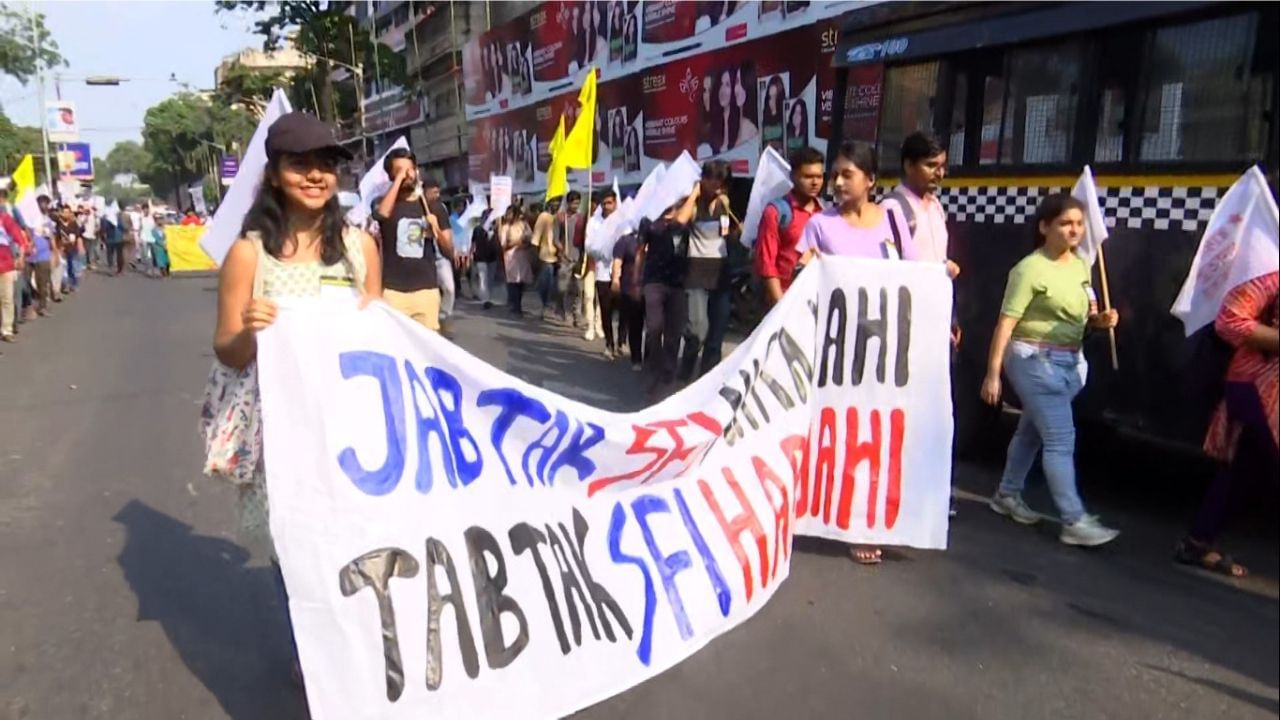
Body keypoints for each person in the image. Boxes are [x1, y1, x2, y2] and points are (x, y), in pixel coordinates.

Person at [211, 111, 380, 684]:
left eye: (326, 165)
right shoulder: (249, 254)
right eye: (300, 164)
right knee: (297, 548)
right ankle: (316, 659)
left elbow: (379, 340)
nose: (315, 176)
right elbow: (227, 350)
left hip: (354, 431)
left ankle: (363, 650)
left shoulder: (360, 249)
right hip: (283, 435)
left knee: (360, 537)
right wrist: (249, 331)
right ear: (275, 172)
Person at [795, 142, 918, 565]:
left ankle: (873, 518)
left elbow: (915, 278)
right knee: (841, 433)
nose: (839, 182)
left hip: (887, 349)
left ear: (870, 179)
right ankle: (842, 517)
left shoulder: (894, 221)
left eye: (848, 174)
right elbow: (802, 280)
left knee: (880, 434)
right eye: (836, 175)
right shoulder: (820, 226)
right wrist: (805, 269)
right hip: (836, 349)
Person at [980, 193, 1121, 548]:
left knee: (1031, 431)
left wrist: (1099, 321)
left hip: (1070, 364)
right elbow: (1005, 325)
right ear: (1044, 227)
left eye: (1078, 223)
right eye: (1065, 223)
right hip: (1032, 362)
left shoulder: (1080, 265)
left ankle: (1006, 495)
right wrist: (993, 373)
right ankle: (1074, 520)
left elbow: (1082, 316)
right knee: (1060, 438)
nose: (1074, 230)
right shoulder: (1028, 269)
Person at [1175, 271, 1277, 577]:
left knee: (1242, 468)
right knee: (1245, 467)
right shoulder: (1271, 276)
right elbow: (1230, 321)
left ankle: (1197, 543)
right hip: (1259, 384)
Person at [374, 149, 452, 333]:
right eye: (400, 170)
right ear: (391, 175)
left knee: (427, 351)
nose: (407, 174)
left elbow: (449, 251)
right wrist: (400, 179)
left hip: (426, 291)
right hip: (393, 292)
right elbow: (382, 214)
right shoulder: (384, 203)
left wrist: (437, 230)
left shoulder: (432, 207)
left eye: (410, 169)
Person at [635, 185, 699, 399]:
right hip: (653, 281)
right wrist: (637, 280)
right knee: (654, 328)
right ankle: (654, 366)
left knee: (674, 334)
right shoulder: (648, 221)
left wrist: (694, 193)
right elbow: (639, 253)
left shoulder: (685, 218)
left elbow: (687, 216)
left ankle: (667, 377)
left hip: (678, 284)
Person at [680, 161, 738, 381]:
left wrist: (737, 232)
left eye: (722, 181)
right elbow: (680, 221)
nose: (717, 185)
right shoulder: (694, 205)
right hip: (696, 274)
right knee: (697, 330)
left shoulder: (725, 206)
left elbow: (728, 236)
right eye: (713, 179)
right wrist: (694, 194)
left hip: (720, 275)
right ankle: (685, 374)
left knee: (716, 335)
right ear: (703, 179)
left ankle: (707, 383)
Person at [756, 146, 824, 307]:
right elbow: (766, 263)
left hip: (817, 301)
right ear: (793, 176)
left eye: (819, 177)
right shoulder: (776, 212)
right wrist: (780, 305)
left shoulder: (825, 213)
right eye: (808, 176)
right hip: (784, 300)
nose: (815, 182)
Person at [589, 190, 621, 358]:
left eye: (610, 203)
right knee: (606, 311)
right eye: (604, 203)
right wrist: (603, 250)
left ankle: (621, 340)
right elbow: (589, 246)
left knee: (625, 310)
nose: (607, 206)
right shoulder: (594, 222)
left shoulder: (623, 220)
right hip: (602, 272)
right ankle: (610, 343)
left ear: (615, 203)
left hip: (622, 273)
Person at [421, 179, 456, 328]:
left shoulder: (441, 209)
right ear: (425, 192)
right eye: (434, 192)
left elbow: (447, 233)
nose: (437, 195)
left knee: (449, 288)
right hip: (423, 257)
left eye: (438, 192)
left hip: (440, 256)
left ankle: (444, 313)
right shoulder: (417, 208)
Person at [612, 224, 644, 371]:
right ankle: (636, 357)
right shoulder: (626, 241)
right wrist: (615, 279)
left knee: (654, 325)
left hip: (651, 286)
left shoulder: (658, 238)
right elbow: (617, 261)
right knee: (635, 323)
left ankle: (650, 356)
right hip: (630, 287)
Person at [556, 191, 584, 325]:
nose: (575, 205)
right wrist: (562, 251)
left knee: (578, 289)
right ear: (568, 203)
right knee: (563, 288)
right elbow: (555, 239)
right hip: (564, 258)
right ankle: (565, 311)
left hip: (578, 258)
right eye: (573, 203)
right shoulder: (561, 218)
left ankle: (577, 315)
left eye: (578, 203)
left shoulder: (582, 219)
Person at [502, 205, 534, 316]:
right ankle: (515, 306)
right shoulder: (506, 227)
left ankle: (518, 304)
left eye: (510, 213)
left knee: (521, 282)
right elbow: (503, 244)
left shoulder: (524, 225)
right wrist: (515, 243)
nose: (508, 216)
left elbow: (530, 239)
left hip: (523, 257)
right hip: (511, 258)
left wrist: (524, 244)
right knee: (513, 282)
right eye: (507, 214)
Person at [0, 202, 24, 343]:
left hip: (7, 265)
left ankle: (6, 329)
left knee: (7, 299)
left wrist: (20, 257)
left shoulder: (5, 219)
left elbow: (19, 239)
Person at [532, 199, 560, 319]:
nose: (556, 206)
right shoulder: (544, 217)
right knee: (545, 284)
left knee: (559, 287)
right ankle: (546, 306)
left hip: (562, 257)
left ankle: (555, 309)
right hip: (546, 257)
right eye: (554, 203)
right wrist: (536, 256)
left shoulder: (562, 217)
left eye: (558, 203)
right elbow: (536, 238)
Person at [471, 209, 498, 309]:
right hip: (480, 257)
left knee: (490, 279)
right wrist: (471, 254)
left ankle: (488, 298)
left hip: (492, 257)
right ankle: (485, 300)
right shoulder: (477, 229)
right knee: (483, 279)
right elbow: (473, 243)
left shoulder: (495, 229)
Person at [55, 204, 83, 293]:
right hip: (63, 250)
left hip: (73, 249)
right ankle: (66, 285)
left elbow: (78, 236)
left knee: (73, 268)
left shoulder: (74, 224)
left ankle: (73, 283)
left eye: (67, 212)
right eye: (64, 212)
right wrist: (58, 248)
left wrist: (80, 246)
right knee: (64, 268)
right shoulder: (58, 225)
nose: (66, 214)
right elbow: (56, 238)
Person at [151, 213, 171, 278]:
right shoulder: (153, 230)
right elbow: (156, 239)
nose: (160, 221)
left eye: (161, 219)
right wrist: (163, 245)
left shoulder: (166, 228)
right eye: (158, 220)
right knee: (160, 261)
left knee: (167, 261)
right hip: (158, 247)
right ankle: (163, 274)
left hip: (167, 246)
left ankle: (167, 272)